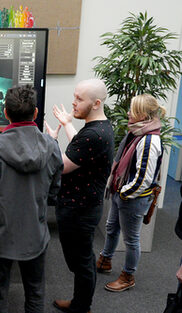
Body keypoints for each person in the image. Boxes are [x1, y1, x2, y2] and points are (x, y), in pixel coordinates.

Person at [0, 84, 63, 313]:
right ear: (36, 113)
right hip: (36, 236)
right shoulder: (52, 147)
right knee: (35, 293)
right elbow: (55, 191)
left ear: (5, 113)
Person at [45, 79, 114, 313]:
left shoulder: (93, 135)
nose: (73, 103)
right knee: (83, 260)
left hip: (78, 210)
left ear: (95, 103)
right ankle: (81, 303)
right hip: (83, 206)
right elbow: (82, 148)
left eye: (79, 99)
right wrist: (66, 124)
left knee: (81, 262)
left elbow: (61, 166)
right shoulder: (100, 127)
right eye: (74, 97)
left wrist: (51, 141)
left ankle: (81, 307)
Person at [97, 94, 164, 291]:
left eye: (132, 110)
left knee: (132, 239)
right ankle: (105, 260)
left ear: (142, 114)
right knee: (111, 228)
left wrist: (124, 193)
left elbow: (144, 178)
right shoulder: (136, 133)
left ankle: (128, 276)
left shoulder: (149, 140)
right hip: (123, 192)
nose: (128, 113)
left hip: (132, 197)